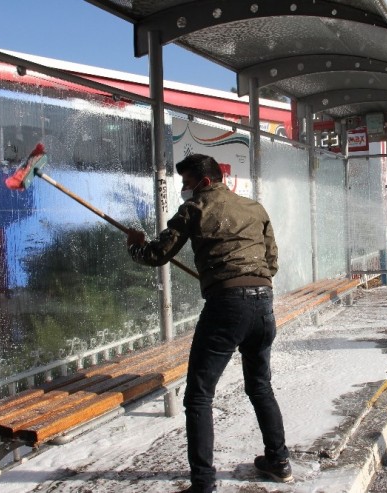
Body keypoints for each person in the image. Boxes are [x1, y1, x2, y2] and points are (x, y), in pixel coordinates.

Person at [126, 154, 291, 492]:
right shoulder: (254, 208)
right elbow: (271, 263)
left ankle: (203, 484)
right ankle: (279, 461)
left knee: (199, 395)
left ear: (202, 181)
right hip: (263, 305)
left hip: (226, 308)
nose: (185, 190)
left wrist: (135, 246)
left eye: (187, 183)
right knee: (260, 385)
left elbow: (157, 255)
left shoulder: (195, 208)